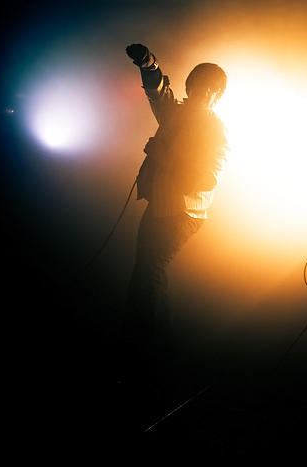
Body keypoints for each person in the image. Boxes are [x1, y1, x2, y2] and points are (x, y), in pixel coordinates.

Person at [120, 44, 228, 394]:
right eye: (196, 84)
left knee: (147, 277)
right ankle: (160, 355)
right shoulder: (176, 114)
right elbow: (157, 90)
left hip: (183, 211)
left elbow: (208, 177)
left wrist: (167, 155)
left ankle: (142, 360)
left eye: (208, 87)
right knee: (150, 275)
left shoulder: (214, 129)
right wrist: (148, 63)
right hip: (161, 205)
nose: (200, 91)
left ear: (216, 94)